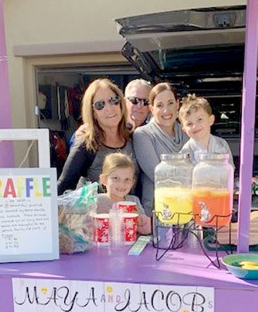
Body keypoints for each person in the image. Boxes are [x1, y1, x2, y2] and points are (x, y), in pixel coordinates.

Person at [57, 78, 137, 195]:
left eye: (113, 100)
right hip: (97, 212)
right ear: (93, 112)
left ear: (121, 103)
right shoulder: (86, 144)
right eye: (100, 105)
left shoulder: (134, 137)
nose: (109, 108)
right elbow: (63, 187)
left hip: (132, 211)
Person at [133, 82, 188, 215]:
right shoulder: (142, 134)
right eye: (159, 105)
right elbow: (158, 175)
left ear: (178, 104)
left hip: (187, 208)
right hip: (158, 211)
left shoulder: (187, 132)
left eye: (170, 103)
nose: (166, 110)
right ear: (151, 109)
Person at [97, 153, 151, 234]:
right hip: (106, 245)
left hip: (132, 244)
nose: (122, 184)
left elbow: (146, 230)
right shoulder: (98, 202)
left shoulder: (134, 201)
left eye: (127, 179)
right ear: (104, 179)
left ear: (133, 182)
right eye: (116, 178)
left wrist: (141, 220)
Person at [179, 94, 234, 166]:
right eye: (189, 124)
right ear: (184, 129)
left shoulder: (222, 144)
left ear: (211, 120)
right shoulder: (185, 153)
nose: (195, 126)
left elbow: (230, 168)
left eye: (200, 120)